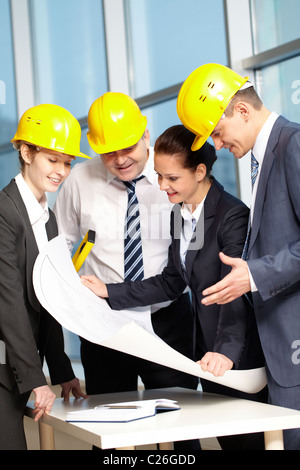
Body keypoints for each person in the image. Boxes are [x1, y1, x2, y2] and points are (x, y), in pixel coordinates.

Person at [81, 124, 267, 450]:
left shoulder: (232, 215)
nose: (162, 186)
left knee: (246, 443)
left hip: (235, 353)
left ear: (199, 171)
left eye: (172, 178)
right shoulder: (181, 213)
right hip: (207, 355)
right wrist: (110, 291)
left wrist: (224, 351)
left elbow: (235, 291)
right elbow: (172, 282)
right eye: (159, 176)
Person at [54, 93, 199, 450]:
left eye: (127, 148)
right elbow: (56, 247)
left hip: (167, 324)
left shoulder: (175, 178)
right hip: (104, 327)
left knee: (181, 431)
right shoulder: (79, 181)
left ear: (145, 135)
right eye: (108, 152)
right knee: (108, 433)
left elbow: (187, 263)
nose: (119, 160)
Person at [177, 62, 300, 450]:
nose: (216, 145)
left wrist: (255, 274)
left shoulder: (292, 144)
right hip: (280, 349)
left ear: (242, 111)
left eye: (216, 132)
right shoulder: (262, 158)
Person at [0, 103, 88, 450]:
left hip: (19, 364)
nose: (62, 171)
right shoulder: (4, 212)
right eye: (53, 160)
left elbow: (46, 297)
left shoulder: (47, 217)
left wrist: (61, 370)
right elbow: (7, 301)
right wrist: (38, 380)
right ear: (25, 151)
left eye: (68, 162)